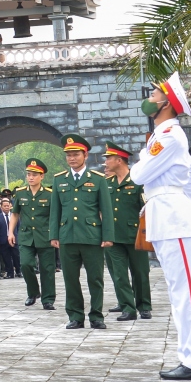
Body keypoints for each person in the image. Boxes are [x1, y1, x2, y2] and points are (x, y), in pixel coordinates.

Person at [132, 72, 191, 379]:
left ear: (166, 102)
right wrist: (181, 199)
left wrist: (175, 200)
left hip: (172, 217)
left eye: (153, 94)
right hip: (169, 213)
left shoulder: (168, 136)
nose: (148, 98)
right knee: (179, 290)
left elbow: (138, 175)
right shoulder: (165, 135)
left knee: (186, 293)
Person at [48, 133, 114, 329]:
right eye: (68, 155)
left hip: (92, 237)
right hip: (67, 236)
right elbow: (55, 211)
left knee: (95, 278)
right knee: (70, 280)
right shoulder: (59, 180)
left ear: (85, 155)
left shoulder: (98, 179)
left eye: (76, 154)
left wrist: (108, 236)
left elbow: (106, 210)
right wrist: (54, 235)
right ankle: (75, 316)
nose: (71, 158)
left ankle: (96, 316)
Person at [101, 142, 152, 322]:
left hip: (135, 235)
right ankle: (127, 308)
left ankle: (144, 305)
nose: (105, 162)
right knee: (119, 274)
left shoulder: (138, 181)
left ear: (119, 160)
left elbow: (147, 208)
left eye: (108, 158)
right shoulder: (106, 183)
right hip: (113, 236)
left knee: (140, 272)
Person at [8, 160, 56, 310]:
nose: (30, 177)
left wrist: (56, 235)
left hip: (45, 236)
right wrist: (10, 232)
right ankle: (33, 292)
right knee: (26, 264)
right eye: (28, 174)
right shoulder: (21, 192)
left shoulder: (50, 194)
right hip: (26, 236)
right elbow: (15, 214)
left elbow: (55, 216)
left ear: (42, 176)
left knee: (47, 269)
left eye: (34, 175)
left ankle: (48, 299)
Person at [0, 193, 19, 279]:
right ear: (1, 207)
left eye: (7, 205)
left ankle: (19, 271)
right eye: (4, 206)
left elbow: (19, 227)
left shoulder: (15, 216)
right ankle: (10, 273)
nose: (6, 207)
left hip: (14, 239)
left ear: (11, 206)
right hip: (3, 240)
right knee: (6, 257)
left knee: (16, 256)